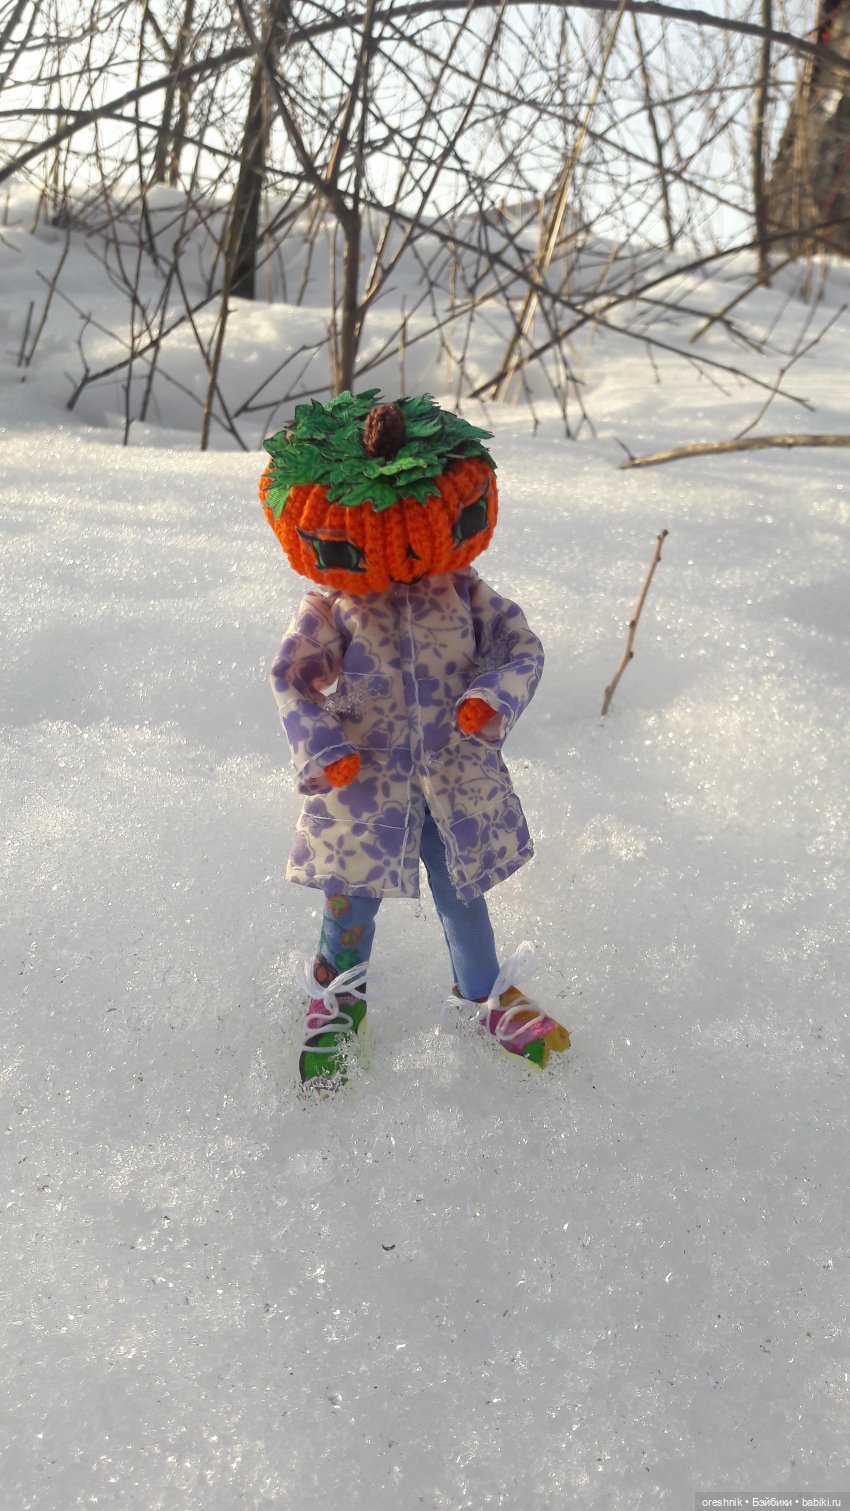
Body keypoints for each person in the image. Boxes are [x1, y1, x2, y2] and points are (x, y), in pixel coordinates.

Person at [260, 390, 570, 1094]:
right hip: (364, 781)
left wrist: (489, 698)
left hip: (452, 774)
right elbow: (292, 677)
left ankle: (483, 995)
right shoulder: (334, 607)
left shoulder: (464, 594)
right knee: (349, 896)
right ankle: (337, 1001)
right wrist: (323, 747)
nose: (399, 553)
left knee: (462, 889)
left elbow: (521, 648)